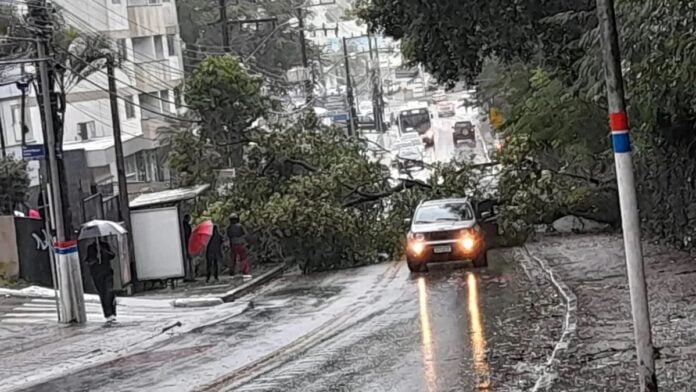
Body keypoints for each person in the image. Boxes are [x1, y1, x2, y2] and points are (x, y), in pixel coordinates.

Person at [84, 240, 117, 322]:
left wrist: (104, 251)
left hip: (107, 272)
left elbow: (112, 255)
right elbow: (88, 260)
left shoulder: (105, 245)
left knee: (109, 292)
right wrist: (95, 259)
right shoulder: (91, 248)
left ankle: (111, 312)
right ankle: (107, 313)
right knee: (102, 293)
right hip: (97, 274)